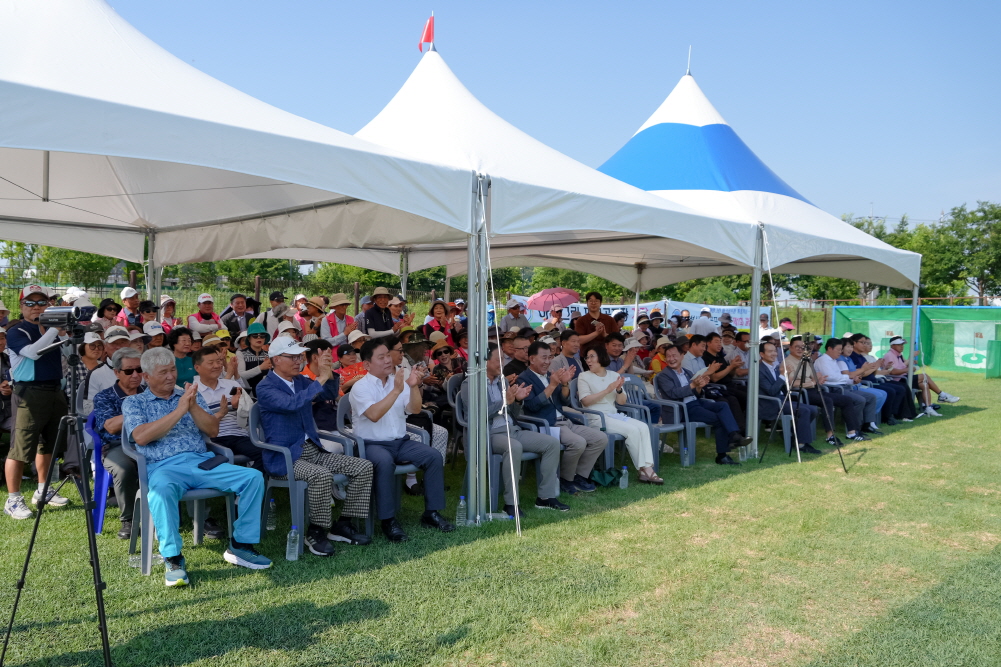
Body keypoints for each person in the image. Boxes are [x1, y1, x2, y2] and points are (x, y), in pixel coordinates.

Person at [123, 347, 271, 586]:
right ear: (147, 377)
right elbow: (141, 437)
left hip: (200, 461)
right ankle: (173, 557)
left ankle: (240, 545)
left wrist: (191, 406)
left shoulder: (190, 394)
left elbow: (212, 430)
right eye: (163, 372)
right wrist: (180, 409)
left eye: (172, 370)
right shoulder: (134, 403)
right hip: (164, 467)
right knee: (160, 493)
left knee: (252, 477)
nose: (171, 376)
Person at [257, 337, 373, 554]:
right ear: (275, 360)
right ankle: (316, 531)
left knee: (363, 467)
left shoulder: (300, 381)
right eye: (291, 357)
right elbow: (292, 405)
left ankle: (342, 525)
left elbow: (328, 394)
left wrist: (327, 372)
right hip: (285, 457)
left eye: (299, 357)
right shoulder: (265, 386)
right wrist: (320, 378)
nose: (297, 361)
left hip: (311, 449)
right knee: (320, 475)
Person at [349, 339, 454, 542]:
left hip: (400, 442)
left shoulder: (397, 382)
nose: (388, 360)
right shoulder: (360, 387)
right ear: (367, 364)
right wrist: (397, 390)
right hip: (371, 444)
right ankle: (388, 520)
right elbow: (373, 414)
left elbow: (414, 410)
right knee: (385, 462)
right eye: (382, 357)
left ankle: (431, 513)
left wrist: (413, 387)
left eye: (388, 355)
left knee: (432, 456)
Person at [465, 343, 567, 515]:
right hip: (488, 434)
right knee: (514, 447)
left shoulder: (502, 381)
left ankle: (545, 497)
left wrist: (517, 400)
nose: (502, 363)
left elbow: (513, 413)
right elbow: (478, 414)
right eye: (498, 359)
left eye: (503, 359)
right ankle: (511, 504)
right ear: (484, 361)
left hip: (512, 429)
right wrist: (504, 401)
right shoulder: (470, 384)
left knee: (551, 443)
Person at [4, 286, 71, 520]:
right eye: (30, 303)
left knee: (48, 445)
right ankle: (13, 499)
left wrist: (62, 333)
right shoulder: (16, 330)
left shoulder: (53, 329)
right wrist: (54, 329)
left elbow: (73, 351)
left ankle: (44, 490)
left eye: (41, 302)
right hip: (28, 392)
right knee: (20, 448)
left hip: (54, 389)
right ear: (21, 307)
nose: (36, 307)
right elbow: (32, 353)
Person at [518, 341, 607, 495]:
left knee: (600, 438)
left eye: (550, 357)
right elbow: (531, 406)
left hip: (565, 420)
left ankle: (580, 476)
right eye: (544, 358)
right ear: (532, 359)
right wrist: (552, 385)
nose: (547, 362)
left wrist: (564, 384)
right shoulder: (524, 378)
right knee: (578, 442)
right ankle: (566, 479)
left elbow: (564, 401)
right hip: (547, 424)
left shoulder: (550, 375)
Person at [654, 344, 752, 465]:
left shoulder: (687, 372)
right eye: (668, 356)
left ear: (682, 356)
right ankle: (723, 455)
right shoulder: (664, 375)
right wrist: (693, 385)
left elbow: (697, 394)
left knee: (723, 405)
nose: (671, 359)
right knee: (718, 419)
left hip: (695, 403)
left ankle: (734, 435)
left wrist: (700, 387)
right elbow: (673, 393)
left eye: (674, 355)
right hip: (681, 409)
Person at [578, 346, 662, 484]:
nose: (588, 360)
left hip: (613, 415)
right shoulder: (584, 376)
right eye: (587, 357)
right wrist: (607, 390)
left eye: (592, 356)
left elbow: (621, 402)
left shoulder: (614, 375)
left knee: (643, 427)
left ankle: (646, 468)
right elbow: (586, 401)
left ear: (601, 357)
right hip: (597, 417)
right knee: (633, 430)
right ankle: (645, 470)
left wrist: (618, 390)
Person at [91, 348, 144, 539]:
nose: (136, 375)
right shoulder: (105, 396)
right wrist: (137, 408)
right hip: (116, 446)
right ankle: (128, 520)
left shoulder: (149, 392)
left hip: (149, 442)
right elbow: (111, 427)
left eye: (139, 369)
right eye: (129, 371)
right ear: (116, 372)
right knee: (124, 468)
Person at [192, 347, 264, 471]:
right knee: (215, 463)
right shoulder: (193, 392)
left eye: (219, 361)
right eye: (211, 363)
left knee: (264, 454)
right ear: (197, 367)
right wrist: (220, 413)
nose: (217, 366)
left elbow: (250, 414)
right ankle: (237, 486)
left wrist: (238, 407)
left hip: (238, 435)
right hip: (212, 439)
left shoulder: (231, 385)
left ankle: (248, 485)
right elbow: (195, 423)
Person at [758, 341, 820, 454]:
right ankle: (801, 444)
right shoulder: (759, 370)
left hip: (782, 399)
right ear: (762, 354)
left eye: (775, 351)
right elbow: (771, 392)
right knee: (804, 411)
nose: (774, 354)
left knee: (813, 409)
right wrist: (782, 375)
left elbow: (783, 388)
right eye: (770, 351)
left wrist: (788, 379)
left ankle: (790, 433)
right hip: (770, 403)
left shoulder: (775, 366)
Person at [881, 337, 959, 416]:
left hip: (904, 377)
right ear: (892, 346)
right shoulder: (889, 355)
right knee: (924, 376)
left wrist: (910, 365)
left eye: (902, 344)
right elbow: (893, 372)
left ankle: (928, 408)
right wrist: (908, 369)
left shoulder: (898, 354)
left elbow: (902, 366)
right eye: (899, 344)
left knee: (924, 384)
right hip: (899, 380)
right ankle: (942, 395)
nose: (902, 346)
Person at [813, 339, 873, 441]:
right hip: (831, 389)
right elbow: (830, 377)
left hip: (840, 387)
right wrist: (848, 377)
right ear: (829, 348)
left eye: (841, 350)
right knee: (859, 400)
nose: (840, 352)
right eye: (838, 349)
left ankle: (858, 428)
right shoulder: (823, 360)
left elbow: (839, 377)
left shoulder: (833, 361)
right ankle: (855, 430)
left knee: (868, 397)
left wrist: (852, 381)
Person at [849, 334, 915, 423]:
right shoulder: (853, 357)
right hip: (867, 383)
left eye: (866, 343)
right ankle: (887, 416)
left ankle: (897, 414)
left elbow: (872, 372)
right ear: (854, 343)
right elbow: (862, 373)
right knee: (892, 390)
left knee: (902, 387)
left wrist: (880, 367)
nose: (865, 345)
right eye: (863, 342)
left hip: (875, 380)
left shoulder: (861, 357)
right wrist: (875, 366)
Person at [839, 337, 887, 433]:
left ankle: (868, 423)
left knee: (877, 395)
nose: (850, 349)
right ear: (841, 348)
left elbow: (855, 374)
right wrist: (864, 369)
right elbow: (850, 374)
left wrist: (858, 376)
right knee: (864, 399)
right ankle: (857, 426)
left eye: (851, 347)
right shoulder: (840, 360)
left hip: (855, 385)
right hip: (845, 388)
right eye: (848, 346)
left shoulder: (848, 359)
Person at [83, 325, 133, 416]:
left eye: (123, 342)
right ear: (105, 346)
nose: (118, 347)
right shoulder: (95, 373)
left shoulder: (141, 370)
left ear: (129, 345)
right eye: (114, 343)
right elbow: (87, 407)